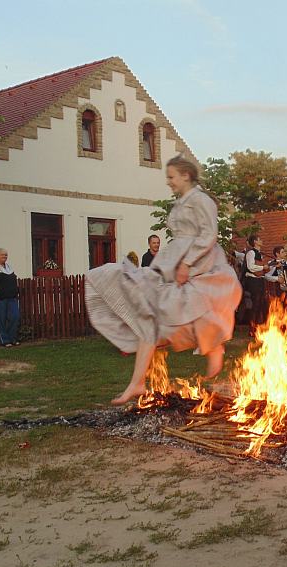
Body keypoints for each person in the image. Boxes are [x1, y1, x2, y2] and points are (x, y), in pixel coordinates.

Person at [85, 155, 242, 404]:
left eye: (171, 177)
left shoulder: (201, 200)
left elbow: (209, 234)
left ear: (185, 176)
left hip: (195, 262)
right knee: (150, 315)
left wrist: (187, 263)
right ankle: (137, 382)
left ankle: (214, 345)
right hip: (170, 262)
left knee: (188, 307)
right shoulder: (180, 203)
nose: (168, 182)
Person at [243, 234, 268, 335]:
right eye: (259, 239)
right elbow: (250, 267)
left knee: (261, 304)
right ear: (255, 242)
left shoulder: (259, 254)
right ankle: (252, 329)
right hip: (253, 281)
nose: (261, 240)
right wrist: (263, 267)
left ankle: (258, 328)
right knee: (255, 305)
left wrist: (267, 267)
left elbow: (262, 266)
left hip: (260, 280)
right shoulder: (250, 253)